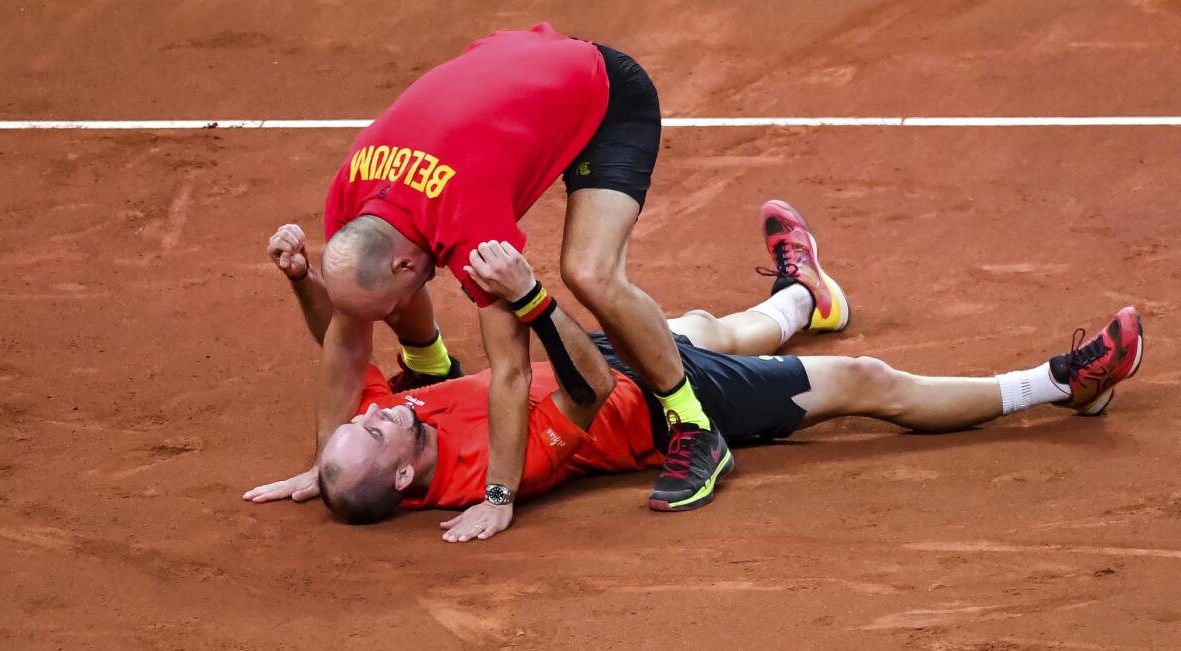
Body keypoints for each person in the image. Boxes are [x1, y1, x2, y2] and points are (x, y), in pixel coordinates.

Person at [248, 202, 1145, 542]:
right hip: (654, 408)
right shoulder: (483, 474)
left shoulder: (389, 440)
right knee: (863, 381)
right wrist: (528, 300)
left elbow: (352, 349)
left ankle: (806, 296)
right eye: (369, 432)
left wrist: (302, 281)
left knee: (710, 322)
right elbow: (593, 393)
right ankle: (1065, 382)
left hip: (598, 354)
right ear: (406, 478)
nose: (369, 415)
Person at [268, 24, 855, 540]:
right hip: (518, 64)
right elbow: (347, 332)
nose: (394, 311)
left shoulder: (473, 231)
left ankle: (694, 423)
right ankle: (806, 300)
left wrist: (499, 495)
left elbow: (513, 370)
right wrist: (326, 462)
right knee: (700, 331)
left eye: (397, 298)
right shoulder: (352, 207)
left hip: (601, 94)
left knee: (589, 272)